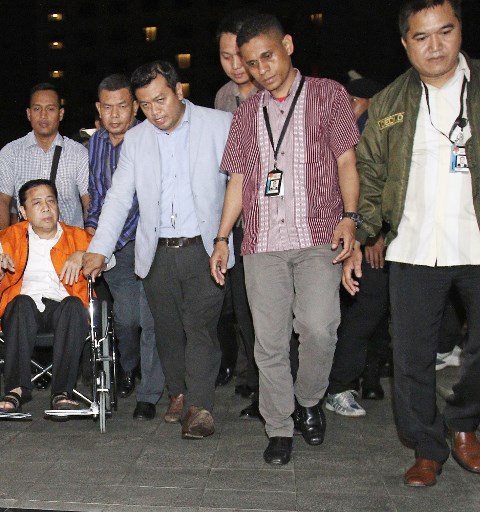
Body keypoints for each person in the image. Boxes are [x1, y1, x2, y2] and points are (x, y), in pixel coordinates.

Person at [211, 13, 360, 465]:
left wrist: (351, 218)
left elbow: (347, 163)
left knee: (319, 328)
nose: (262, 69)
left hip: (318, 235)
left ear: (288, 45)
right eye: (252, 63)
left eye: (268, 56)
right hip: (261, 241)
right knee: (269, 341)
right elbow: (237, 180)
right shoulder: (245, 113)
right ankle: (279, 425)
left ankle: (309, 400)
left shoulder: (328, 94)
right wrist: (222, 238)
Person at [343, 0, 480, 487]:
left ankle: (463, 421)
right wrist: (361, 233)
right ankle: (427, 446)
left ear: (460, 30)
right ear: (406, 43)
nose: (435, 46)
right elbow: (372, 178)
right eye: (422, 37)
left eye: (445, 31)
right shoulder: (388, 103)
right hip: (415, 248)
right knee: (412, 357)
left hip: (476, 242)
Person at [83, 60, 234, 440]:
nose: (156, 111)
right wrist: (100, 248)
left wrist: (225, 238)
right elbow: (118, 197)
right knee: (167, 330)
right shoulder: (137, 139)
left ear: (179, 91)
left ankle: (200, 407)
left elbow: (239, 183)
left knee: (200, 327)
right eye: (146, 105)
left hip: (204, 247)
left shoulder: (218, 125)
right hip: (156, 252)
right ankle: (179, 393)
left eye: (161, 100)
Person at [0, 179, 95, 412]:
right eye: (37, 202)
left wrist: (84, 255)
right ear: (23, 211)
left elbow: (110, 260)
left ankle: (62, 392)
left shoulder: (77, 237)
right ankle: (16, 390)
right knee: (20, 303)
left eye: (51, 201)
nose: (46, 208)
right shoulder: (11, 236)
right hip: (23, 311)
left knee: (73, 304)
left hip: (62, 309)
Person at [85, 74, 165, 420]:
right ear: (98, 110)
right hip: (111, 245)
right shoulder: (93, 145)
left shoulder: (152, 140)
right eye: (108, 107)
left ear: (135, 107)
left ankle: (149, 393)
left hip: (146, 240)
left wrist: (107, 241)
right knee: (126, 317)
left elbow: (134, 202)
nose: (115, 114)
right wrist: (93, 235)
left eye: (122, 106)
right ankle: (127, 365)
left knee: (151, 319)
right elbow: (95, 196)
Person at [324, 77, 388, 417]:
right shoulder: (327, 130)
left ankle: (341, 385)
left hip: (366, 236)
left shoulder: (376, 134)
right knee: (321, 319)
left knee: (368, 307)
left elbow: (380, 189)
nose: (346, 108)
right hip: (323, 237)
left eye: (352, 101)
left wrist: (374, 235)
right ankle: (318, 387)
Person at [214, 9, 262, 421]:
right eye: (226, 56)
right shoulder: (222, 98)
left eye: (240, 56)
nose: (235, 65)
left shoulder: (274, 91)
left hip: (280, 221)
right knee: (243, 308)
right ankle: (251, 379)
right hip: (239, 223)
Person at [0, 83, 89, 230]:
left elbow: (89, 203)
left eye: (50, 109)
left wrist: (88, 244)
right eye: (37, 109)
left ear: (61, 114)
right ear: (29, 114)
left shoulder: (78, 153)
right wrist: (5, 243)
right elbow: (1, 202)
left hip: (70, 247)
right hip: (26, 247)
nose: (43, 115)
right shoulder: (10, 153)